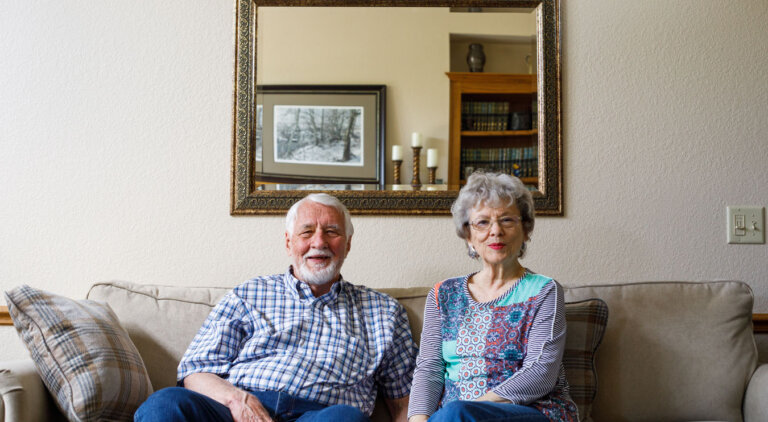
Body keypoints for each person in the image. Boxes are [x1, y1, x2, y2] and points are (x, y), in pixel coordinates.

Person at [135, 193, 417, 422]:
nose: (319, 242)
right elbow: (196, 371)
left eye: (332, 232)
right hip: (237, 410)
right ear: (288, 242)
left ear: (348, 244)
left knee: (346, 419)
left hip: (322, 415)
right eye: (307, 232)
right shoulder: (248, 294)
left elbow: (405, 402)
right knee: (166, 403)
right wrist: (237, 400)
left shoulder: (384, 312)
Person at [407, 172, 578, 422]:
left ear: (526, 230)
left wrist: (470, 409)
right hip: (453, 418)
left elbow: (541, 372)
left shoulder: (544, 291)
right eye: (483, 222)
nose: (495, 231)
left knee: (456, 412)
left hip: (531, 412)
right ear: (468, 235)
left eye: (507, 220)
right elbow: (429, 370)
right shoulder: (442, 294)